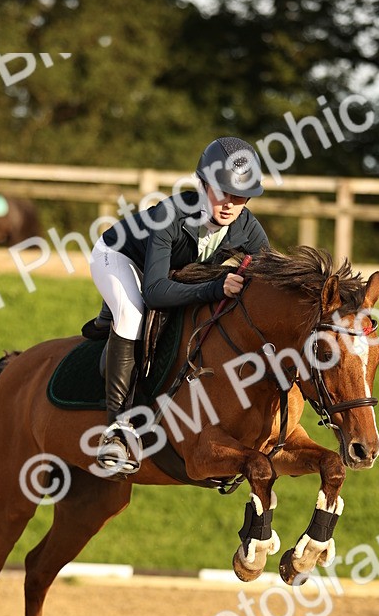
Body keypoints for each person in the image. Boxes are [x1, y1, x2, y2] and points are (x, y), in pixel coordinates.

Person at [89, 135, 269, 476]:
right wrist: (216, 287)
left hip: (169, 270)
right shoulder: (168, 214)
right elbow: (155, 292)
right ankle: (117, 430)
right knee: (132, 315)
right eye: (221, 191)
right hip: (118, 256)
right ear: (202, 185)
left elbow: (270, 281)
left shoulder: (248, 228)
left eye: (240, 196)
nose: (230, 204)